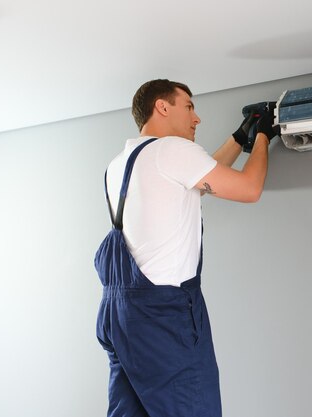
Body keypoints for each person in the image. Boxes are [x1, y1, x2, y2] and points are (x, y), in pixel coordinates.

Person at [94, 79, 275, 417]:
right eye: (189, 107)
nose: (197, 118)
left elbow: (198, 181)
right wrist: (264, 134)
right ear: (162, 107)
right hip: (164, 318)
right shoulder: (172, 151)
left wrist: (239, 138)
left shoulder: (121, 163)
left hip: (119, 316)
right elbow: (250, 188)